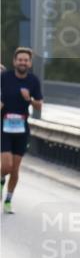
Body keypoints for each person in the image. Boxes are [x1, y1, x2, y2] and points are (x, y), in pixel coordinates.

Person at [1, 47, 44, 214]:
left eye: (26, 60)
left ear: (30, 63)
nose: (23, 62)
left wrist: (30, 99)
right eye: (20, 60)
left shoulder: (33, 81)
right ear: (14, 61)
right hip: (3, 126)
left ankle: (8, 201)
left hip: (21, 129)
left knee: (15, 169)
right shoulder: (5, 78)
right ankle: (0, 180)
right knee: (6, 166)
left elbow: (40, 105)